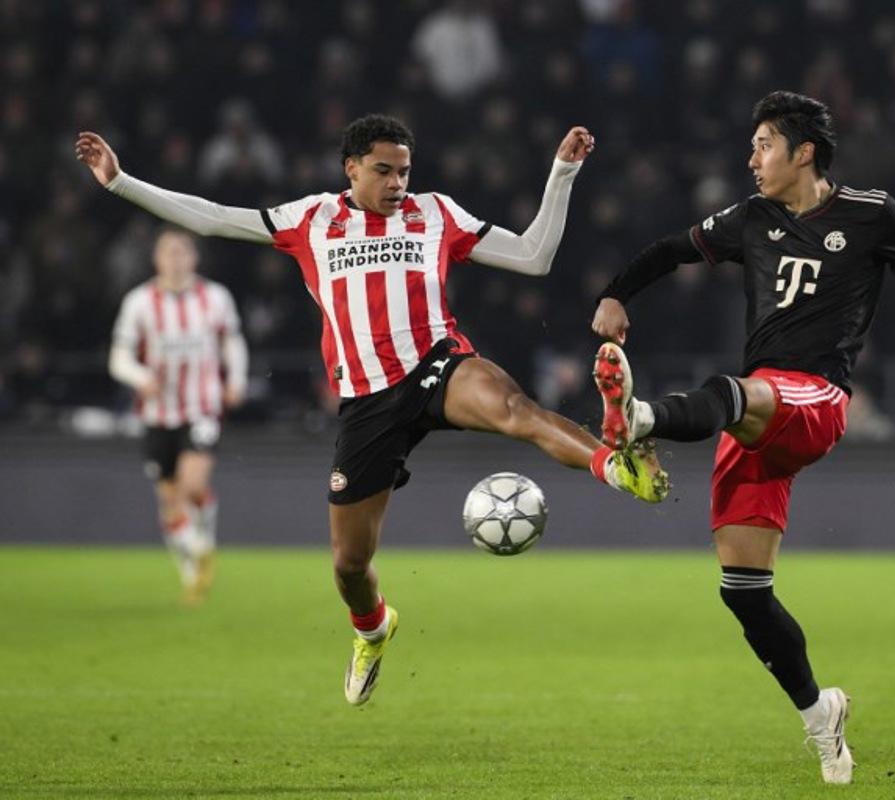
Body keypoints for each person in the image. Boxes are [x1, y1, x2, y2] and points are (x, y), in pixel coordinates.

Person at [77, 114, 668, 707]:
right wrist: (121, 181)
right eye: (384, 171)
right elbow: (211, 216)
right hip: (366, 402)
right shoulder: (310, 219)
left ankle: (619, 468)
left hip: (437, 362)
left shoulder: (435, 213)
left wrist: (563, 172)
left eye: (404, 171)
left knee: (515, 408)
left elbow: (534, 256)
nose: (396, 183)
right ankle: (373, 628)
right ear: (351, 168)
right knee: (349, 564)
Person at [590, 91, 895, 785]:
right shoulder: (750, 218)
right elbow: (672, 250)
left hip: (814, 397)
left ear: (803, 151)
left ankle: (637, 422)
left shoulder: (873, 214)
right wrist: (614, 294)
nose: (751, 158)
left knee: (733, 390)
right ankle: (822, 716)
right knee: (743, 590)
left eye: (763, 145)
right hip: (756, 421)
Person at [109, 225, 248, 604]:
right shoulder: (139, 302)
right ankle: (192, 568)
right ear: (157, 259)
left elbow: (232, 342)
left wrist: (235, 380)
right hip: (156, 414)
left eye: (182, 251)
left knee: (192, 486)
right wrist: (140, 377)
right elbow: (118, 358)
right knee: (170, 501)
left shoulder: (215, 298)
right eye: (168, 252)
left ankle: (202, 546)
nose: (176, 259)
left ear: (194, 257)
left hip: (202, 406)